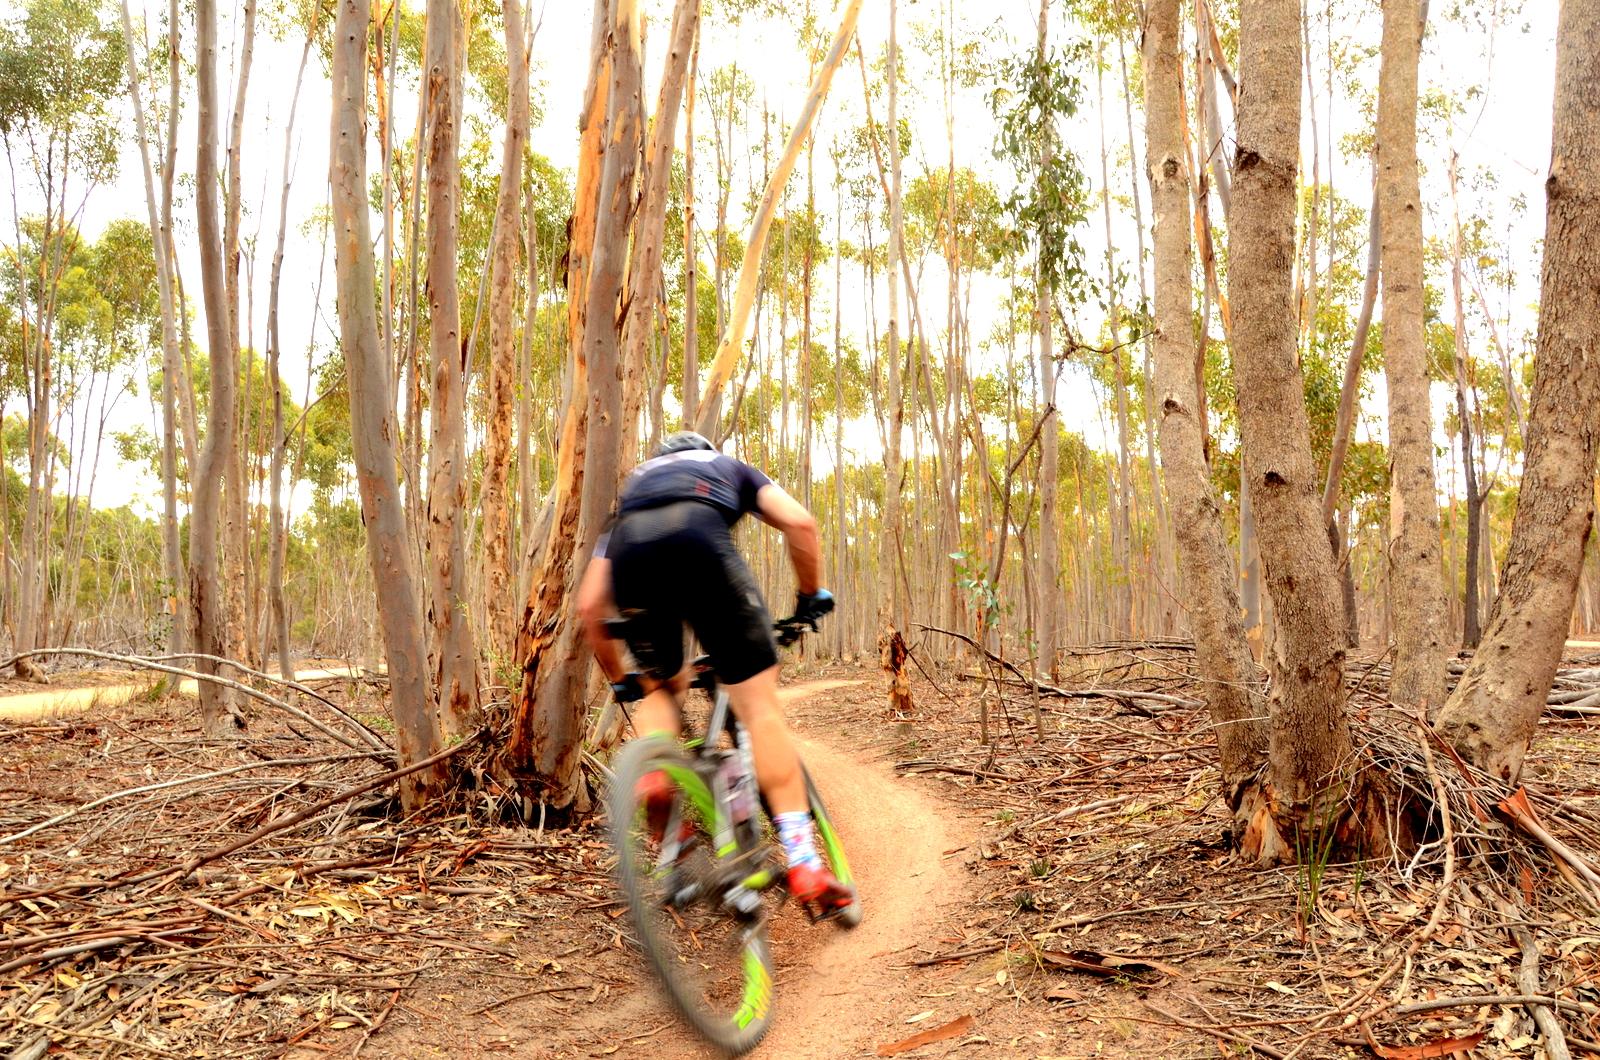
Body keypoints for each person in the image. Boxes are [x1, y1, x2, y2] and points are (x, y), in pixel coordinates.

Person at [576, 431, 850, 908]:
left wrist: (622, 678)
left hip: (633, 554)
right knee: (759, 707)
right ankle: (804, 861)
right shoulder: (728, 466)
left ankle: (654, 772)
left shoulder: (633, 493)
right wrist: (810, 598)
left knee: (661, 688)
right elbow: (801, 524)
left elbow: (588, 606)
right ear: (702, 452)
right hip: (703, 545)